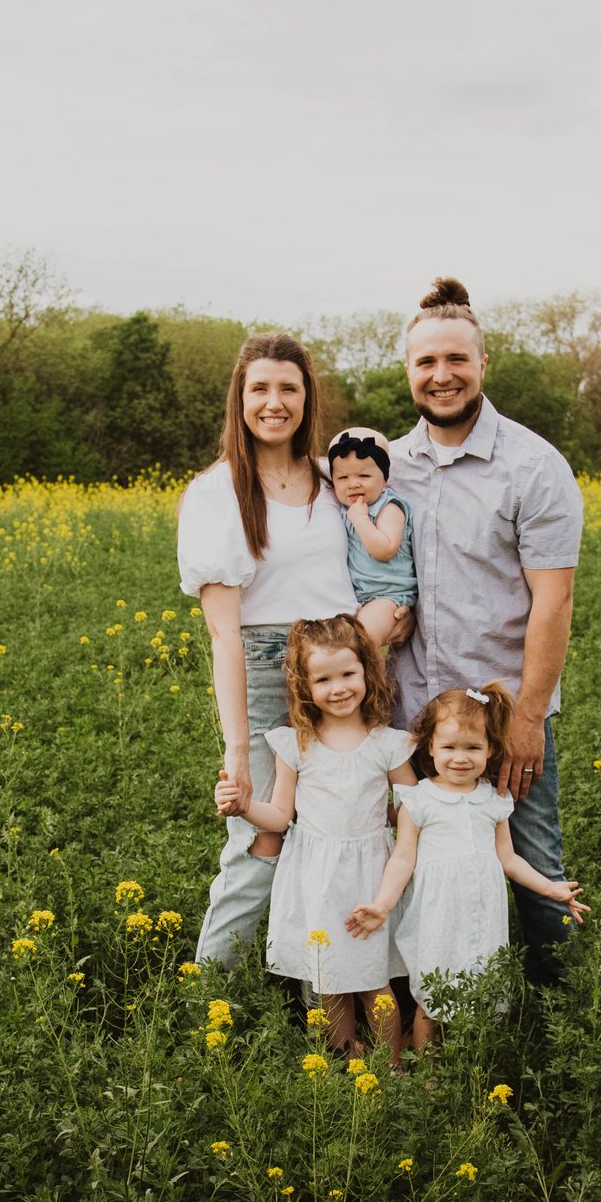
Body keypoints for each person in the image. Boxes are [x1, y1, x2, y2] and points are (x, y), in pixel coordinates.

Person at [384, 277, 585, 988]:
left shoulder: (534, 466)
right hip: (410, 717)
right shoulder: (387, 467)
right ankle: (419, 1016)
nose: (441, 376)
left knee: (535, 871)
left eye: (456, 360)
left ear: (483, 363)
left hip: (504, 717)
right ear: (408, 371)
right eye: (425, 362)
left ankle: (565, 1027)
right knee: (405, 864)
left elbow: (553, 603)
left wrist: (528, 717)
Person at [179, 333, 359, 968]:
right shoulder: (217, 491)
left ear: (308, 399)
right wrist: (238, 755)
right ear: (240, 396)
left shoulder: (332, 480)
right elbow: (225, 633)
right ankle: (209, 1000)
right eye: (260, 388)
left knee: (346, 833)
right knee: (262, 839)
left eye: (289, 388)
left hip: (344, 673)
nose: (274, 402)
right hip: (264, 668)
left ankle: (326, 986)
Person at [215, 615, 419, 1054]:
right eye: (323, 679)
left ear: (367, 669)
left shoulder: (388, 744)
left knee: (372, 980)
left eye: (348, 673)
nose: (339, 687)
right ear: (305, 686)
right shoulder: (297, 744)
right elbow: (280, 816)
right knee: (327, 981)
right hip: (315, 877)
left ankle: (392, 1065)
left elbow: (412, 810)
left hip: (370, 875)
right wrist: (243, 805)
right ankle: (349, 1059)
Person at [350, 682, 587, 1048]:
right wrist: (383, 905)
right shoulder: (419, 800)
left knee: (481, 985)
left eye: (472, 748)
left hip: (481, 911)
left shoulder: (493, 801)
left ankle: (474, 1064)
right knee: (433, 996)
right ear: (430, 747)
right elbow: (403, 858)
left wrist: (549, 887)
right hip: (438, 913)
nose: (459, 758)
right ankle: (428, 1075)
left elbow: (508, 858)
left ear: (491, 750)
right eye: (448, 747)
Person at [325, 426, 416, 649]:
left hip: (388, 596)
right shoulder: (346, 508)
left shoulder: (389, 507)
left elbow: (385, 549)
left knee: (360, 644)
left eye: (364, 476)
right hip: (360, 597)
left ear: (384, 477)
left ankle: (372, 684)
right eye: (343, 477)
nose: (353, 483)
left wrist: (361, 520)